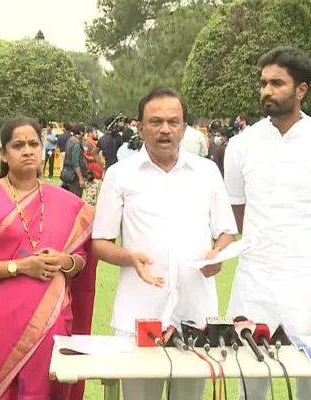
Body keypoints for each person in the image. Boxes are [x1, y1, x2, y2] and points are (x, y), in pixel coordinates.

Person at [224, 46, 311, 400]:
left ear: (301, 90)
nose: (266, 90)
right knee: (250, 387)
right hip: (253, 283)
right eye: (263, 83)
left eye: (277, 83)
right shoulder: (241, 145)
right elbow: (238, 214)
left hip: (308, 286)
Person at [91, 87, 237, 400]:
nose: (165, 129)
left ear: (185, 127)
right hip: (140, 312)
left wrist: (217, 255)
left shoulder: (207, 172)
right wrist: (130, 258)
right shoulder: (120, 175)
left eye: (173, 121)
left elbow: (226, 231)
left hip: (194, 313)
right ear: (140, 127)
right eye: (156, 122)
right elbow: (100, 242)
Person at [0, 116, 97, 400]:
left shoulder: (66, 202)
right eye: (18, 145)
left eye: (33, 144)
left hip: (53, 326)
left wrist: (64, 261)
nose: (27, 150)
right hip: (1, 327)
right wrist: (21, 267)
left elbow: (81, 261)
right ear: (4, 154)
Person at [61, 123, 88, 198]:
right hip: (74, 177)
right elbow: (75, 162)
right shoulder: (76, 144)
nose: (85, 133)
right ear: (81, 132)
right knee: (75, 198)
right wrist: (80, 178)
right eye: (84, 131)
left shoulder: (70, 140)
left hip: (67, 173)